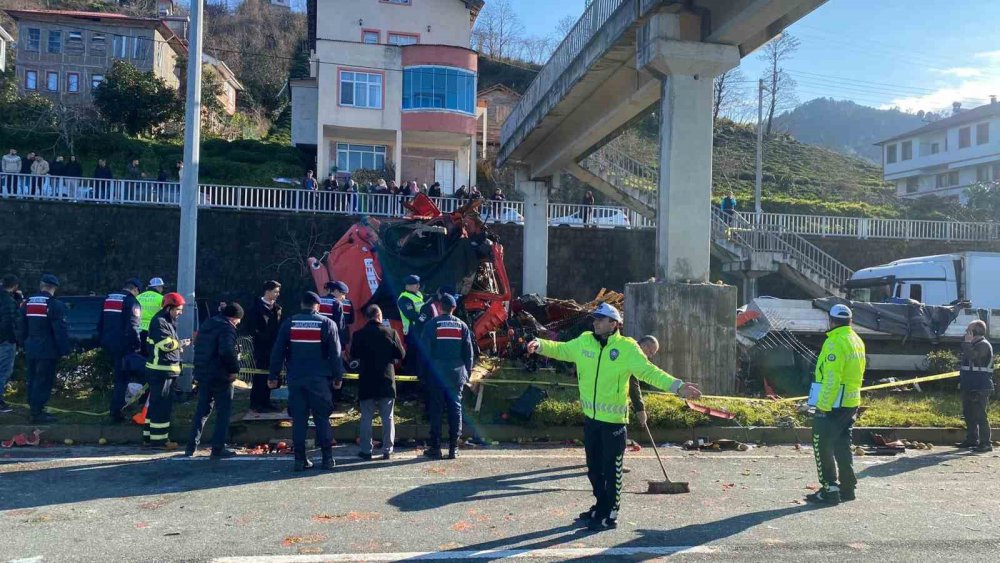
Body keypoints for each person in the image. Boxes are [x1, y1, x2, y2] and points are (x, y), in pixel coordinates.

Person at [526, 303, 701, 531]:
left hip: (614, 423)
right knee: (594, 469)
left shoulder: (627, 348)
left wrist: (677, 386)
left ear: (613, 324)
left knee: (612, 470)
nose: (595, 322)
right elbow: (561, 350)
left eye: (600, 319)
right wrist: (539, 345)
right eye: (595, 318)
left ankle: (610, 513)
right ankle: (600, 505)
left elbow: (649, 372)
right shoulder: (584, 341)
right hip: (591, 420)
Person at [269, 291, 344, 471]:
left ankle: (299, 459)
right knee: (322, 418)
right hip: (319, 380)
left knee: (299, 419)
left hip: (296, 379)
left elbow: (277, 351)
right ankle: (327, 459)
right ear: (317, 306)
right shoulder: (327, 323)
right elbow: (336, 354)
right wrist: (338, 376)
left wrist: (273, 375)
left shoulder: (289, 323)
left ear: (302, 304)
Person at [805, 303, 865, 505]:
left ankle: (829, 489)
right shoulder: (856, 340)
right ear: (850, 320)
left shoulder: (834, 343)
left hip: (833, 403)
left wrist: (822, 405)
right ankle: (848, 488)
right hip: (851, 401)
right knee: (842, 444)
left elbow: (832, 378)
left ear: (830, 320)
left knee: (822, 444)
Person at [186, 303, 244, 459]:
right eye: (238, 320)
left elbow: (199, 346)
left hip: (203, 373)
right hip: (221, 375)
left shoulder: (208, 324)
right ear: (234, 317)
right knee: (223, 412)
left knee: (202, 410)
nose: (238, 323)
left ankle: (191, 446)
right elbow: (226, 350)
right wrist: (233, 369)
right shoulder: (227, 328)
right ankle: (218, 448)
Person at [420, 294, 474, 460]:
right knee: (455, 409)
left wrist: (423, 373)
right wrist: (468, 373)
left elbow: (424, 352)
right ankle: (453, 447)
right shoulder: (462, 326)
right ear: (454, 308)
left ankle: (435, 447)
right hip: (456, 375)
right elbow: (468, 353)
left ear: (440, 306)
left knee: (435, 410)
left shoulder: (432, 325)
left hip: (436, 374)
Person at [352, 305, 405, 460]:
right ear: (379, 315)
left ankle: (366, 450)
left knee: (366, 417)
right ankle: (387, 449)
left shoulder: (359, 334)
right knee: (387, 417)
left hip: (367, 380)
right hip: (386, 380)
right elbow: (401, 354)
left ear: (367, 317)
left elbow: (354, 353)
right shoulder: (391, 333)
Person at [16, 274, 70, 424]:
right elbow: (59, 330)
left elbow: (21, 326)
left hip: (31, 347)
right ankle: (37, 412)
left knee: (32, 378)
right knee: (44, 380)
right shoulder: (55, 305)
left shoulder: (27, 303)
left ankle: (33, 409)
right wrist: (65, 350)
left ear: (41, 285)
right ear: (54, 288)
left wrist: (22, 344)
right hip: (47, 349)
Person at [143, 293, 190, 449]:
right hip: (162, 370)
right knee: (162, 407)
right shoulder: (160, 322)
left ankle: (149, 438)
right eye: (178, 309)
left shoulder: (166, 320)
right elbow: (166, 345)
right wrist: (180, 344)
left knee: (156, 405)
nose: (180, 313)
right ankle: (159, 441)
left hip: (162, 370)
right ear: (169, 307)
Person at [98, 277, 143, 423]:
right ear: (135, 289)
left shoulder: (109, 298)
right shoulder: (132, 302)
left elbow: (101, 322)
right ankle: (116, 412)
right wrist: (137, 345)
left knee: (117, 378)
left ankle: (115, 410)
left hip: (108, 344)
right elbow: (133, 326)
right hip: (124, 347)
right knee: (122, 381)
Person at [243, 280, 283, 413]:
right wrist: (263, 338)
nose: (278, 294)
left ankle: (266, 401)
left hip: (275, 347)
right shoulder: (255, 308)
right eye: (275, 291)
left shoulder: (278, 308)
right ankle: (256, 403)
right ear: (268, 291)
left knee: (271, 375)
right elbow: (252, 328)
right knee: (260, 375)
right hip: (261, 347)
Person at [956, 320, 994, 452]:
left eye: (968, 330)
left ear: (975, 332)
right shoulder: (973, 344)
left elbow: (973, 357)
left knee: (980, 414)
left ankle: (986, 443)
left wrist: (966, 343)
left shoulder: (983, 345)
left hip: (980, 386)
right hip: (969, 384)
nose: (966, 332)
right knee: (968, 413)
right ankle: (972, 439)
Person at [396, 275, 425, 376]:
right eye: (416, 284)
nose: (418, 286)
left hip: (419, 329)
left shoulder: (418, 295)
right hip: (411, 330)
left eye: (418, 284)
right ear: (408, 286)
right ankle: (409, 382)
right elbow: (411, 315)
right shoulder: (404, 298)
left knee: (418, 356)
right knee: (412, 356)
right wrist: (424, 316)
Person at [0, 274, 20, 413]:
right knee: (4, 371)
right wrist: (13, 339)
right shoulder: (8, 301)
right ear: (15, 286)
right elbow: (8, 322)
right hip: (4, 341)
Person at [137, 277, 166, 345]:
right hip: (152, 330)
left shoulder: (138, 297)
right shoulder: (161, 298)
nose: (162, 289)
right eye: (162, 287)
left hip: (138, 329)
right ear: (158, 287)